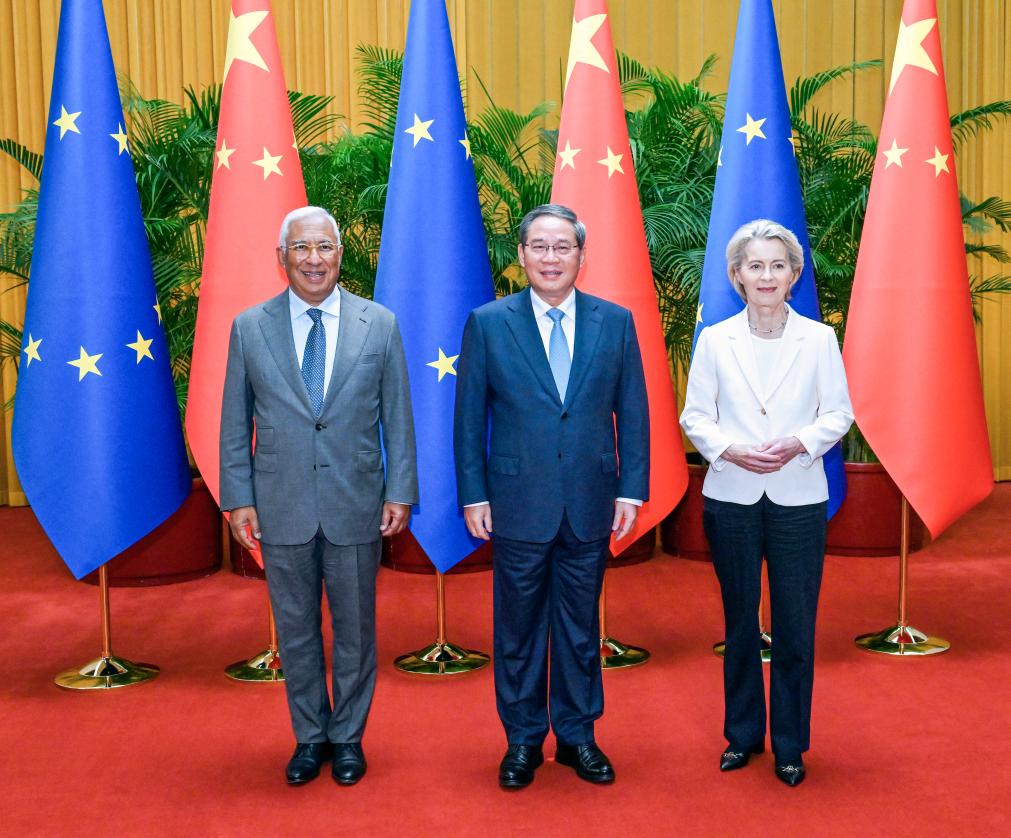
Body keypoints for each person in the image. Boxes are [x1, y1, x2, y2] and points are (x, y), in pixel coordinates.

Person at [219, 206, 418, 786]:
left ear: (340, 254)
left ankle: (348, 736)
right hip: (279, 503)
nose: (313, 259)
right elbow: (234, 423)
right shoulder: (249, 327)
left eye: (324, 247)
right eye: (301, 248)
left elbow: (398, 417)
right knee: (297, 629)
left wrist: (401, 489)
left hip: (356, 501)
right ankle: (310, 736)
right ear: (282, 258)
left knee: (356, 629)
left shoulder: (379, 324)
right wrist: (238, 497)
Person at [454, 204, 649, 789]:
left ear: (581, 256)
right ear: (521, 255)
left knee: (579, 628)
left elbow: (633, 412)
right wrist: (473, 495)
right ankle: (521, 741)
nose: (550, 257)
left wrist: (631, 490)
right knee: (517, 630)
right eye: (539, 246)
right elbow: (468, 419)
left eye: (563, 247)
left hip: (591, 500)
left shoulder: (615, 322)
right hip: (516, 502)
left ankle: (577, 736)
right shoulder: (489, 323)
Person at [680, 219, 853, 786]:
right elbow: (695, 416)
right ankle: (742, 735)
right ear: (737, 275)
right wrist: (728, 448)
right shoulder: (715, 339)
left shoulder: (819, 339)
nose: (767, 275)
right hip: (731, 493)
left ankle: (790, 744)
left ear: (794, 274)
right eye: (755, 265)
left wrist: (800, 442)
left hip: (798, 495)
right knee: (739, 623)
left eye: (778, 265)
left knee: (795, 626)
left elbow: (839, 412)